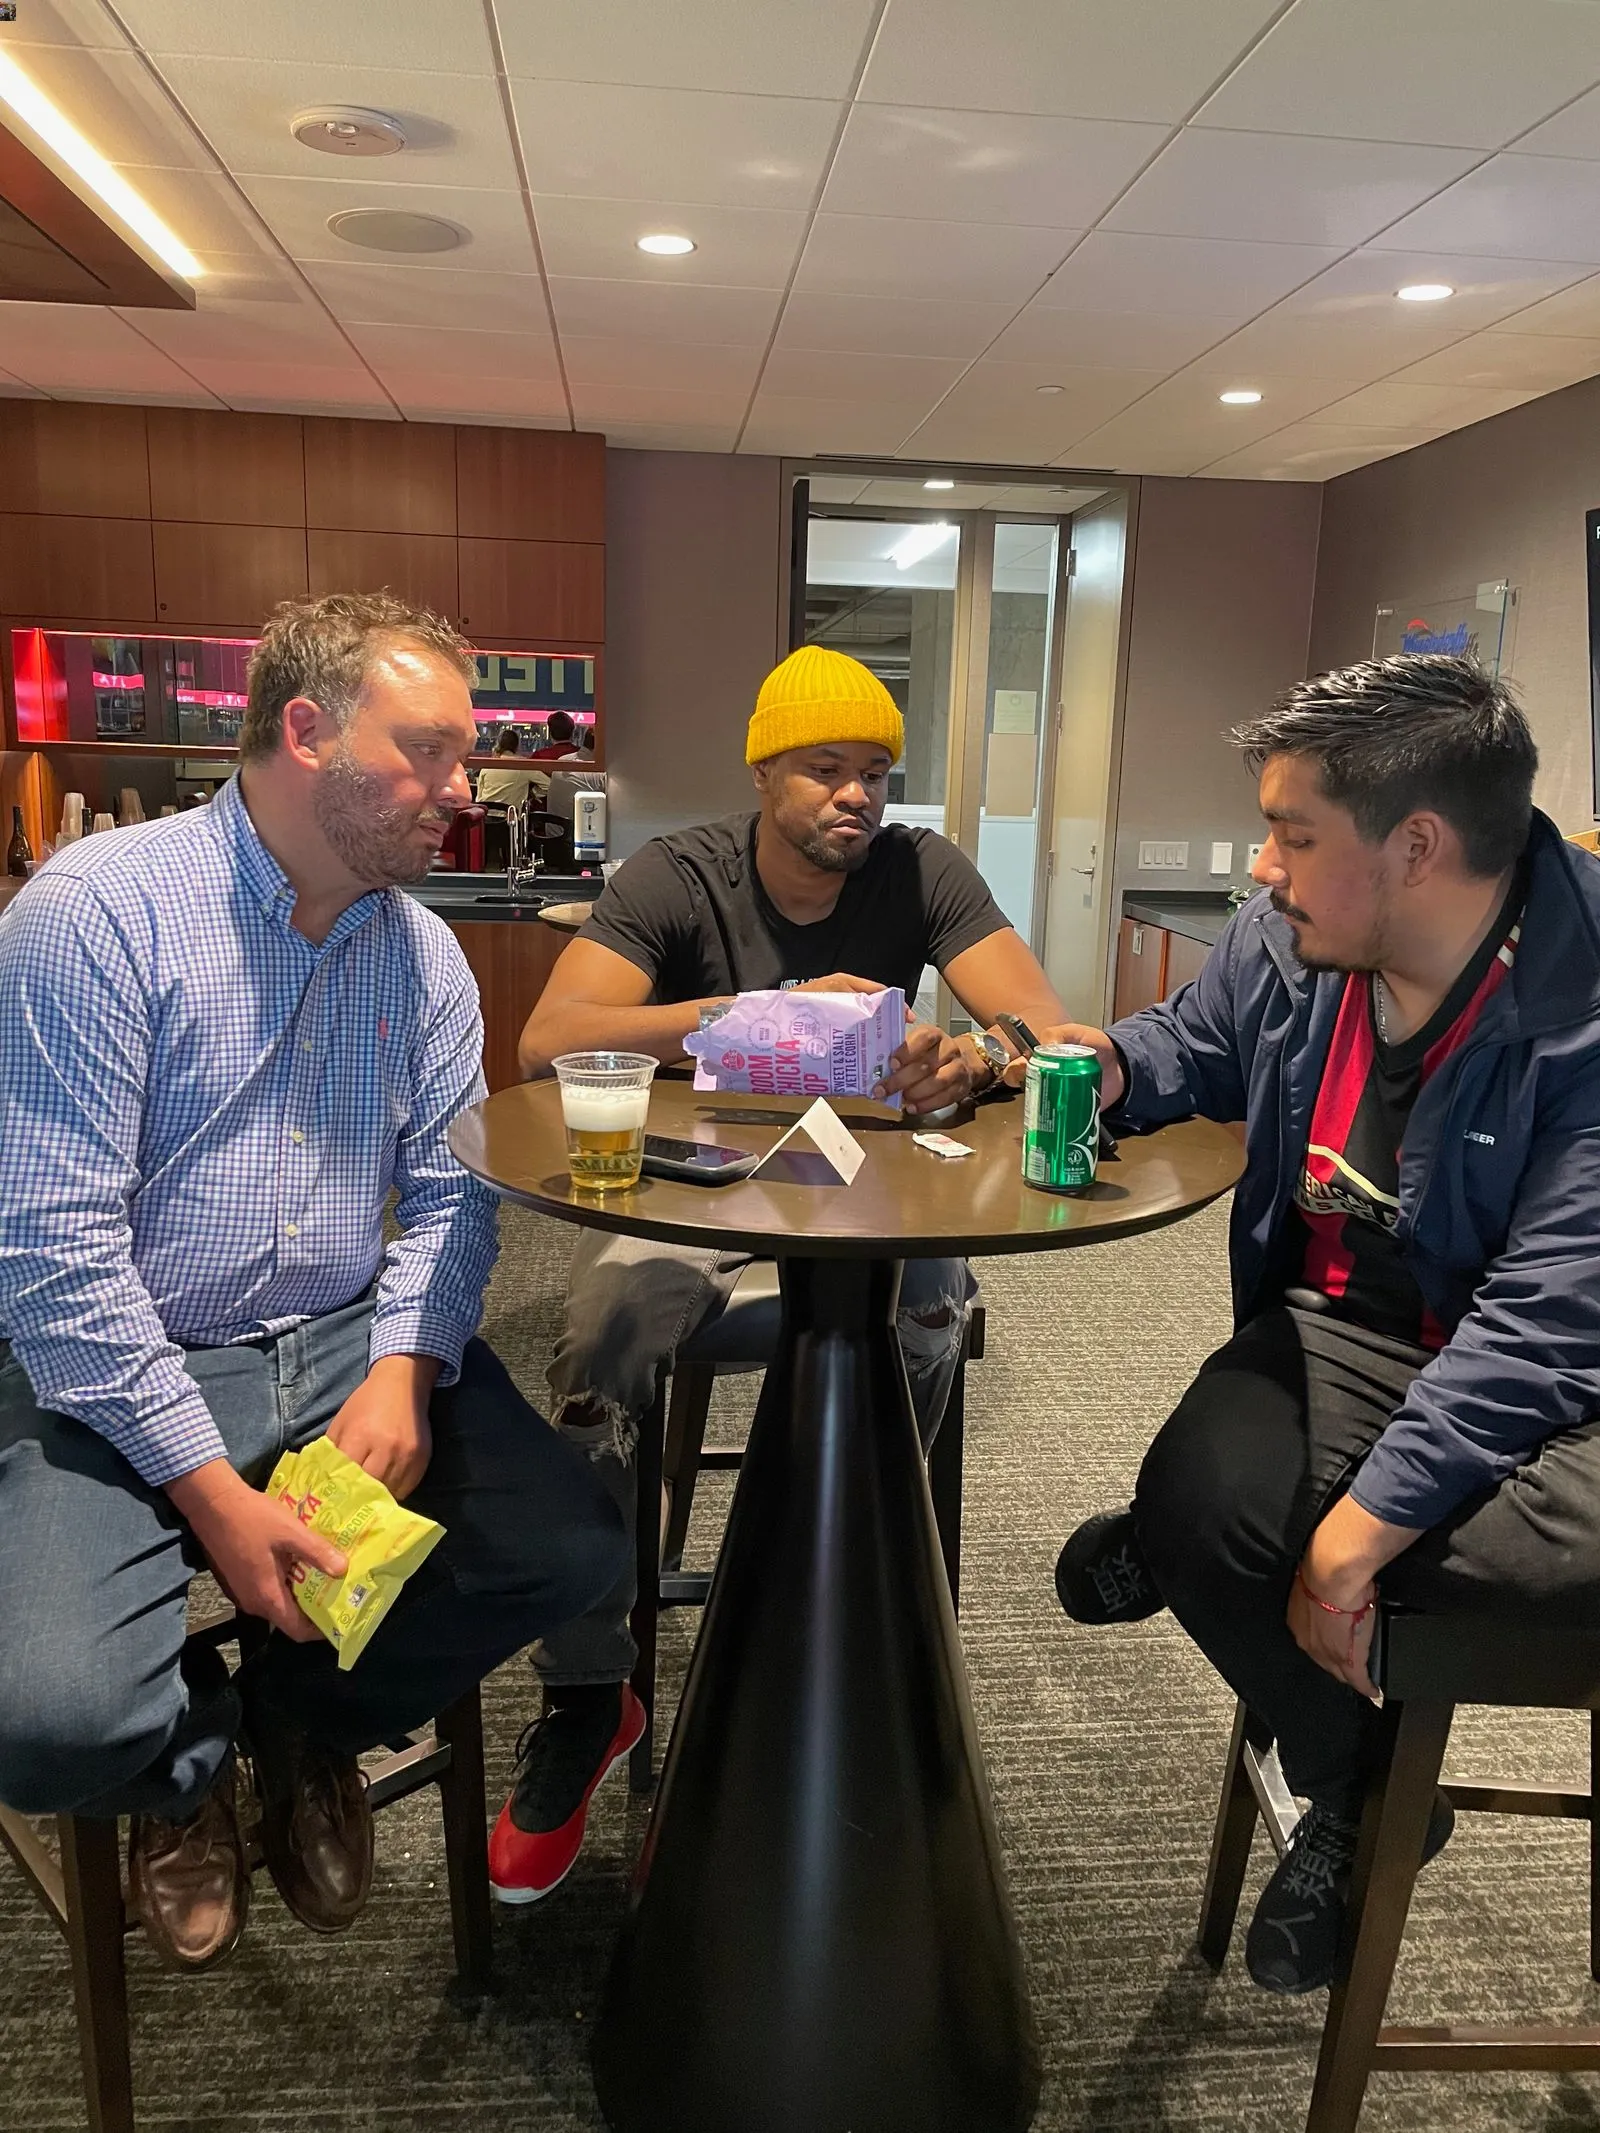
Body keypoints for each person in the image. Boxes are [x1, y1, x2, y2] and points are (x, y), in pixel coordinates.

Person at [0, 592, 626, 1974]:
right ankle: (188, 1765)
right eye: (431, 755)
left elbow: (457, 1195)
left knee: (570, 1543)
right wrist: (216, 1503)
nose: (464, 794)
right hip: (133, 1354)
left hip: (345, 1340)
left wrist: (405, 1362)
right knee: (45, 1718)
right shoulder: (93, 919)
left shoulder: (423, 953)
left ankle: (303, 1721)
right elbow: (55, 1263)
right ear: (305, 732)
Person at [1049, 653, 1600, 1994]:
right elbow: (1202, 1039)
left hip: (1547, 1367)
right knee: (1207, 1493)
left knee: (1477, 1557)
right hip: (1337, 1322)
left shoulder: (1579, 1007)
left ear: (1417, 847)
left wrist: (1353, 1536)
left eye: (1296, 835)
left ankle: (1219, 1563)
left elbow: (1543, 1325)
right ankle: (1362, 1788)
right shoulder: (1287, 941)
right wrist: (1112, 1064)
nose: (1264, 865)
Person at [487, 642, 1067, 1903]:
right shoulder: (676, 873)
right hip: (699, 1196)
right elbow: (549, 1044)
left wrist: (972, 1058)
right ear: (764, 772)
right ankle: (592, 1689)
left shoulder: (924, 870)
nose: (856, 796)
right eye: (825, 770)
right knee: (596, 1339)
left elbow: (1051, 1029)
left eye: (874, 772)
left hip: (874, 1195)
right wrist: (749, 1015)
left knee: (930, 1317)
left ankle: (854, 1591)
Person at [475, 723, 543, 808]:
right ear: (517, 745)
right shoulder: (524, 765)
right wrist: (531, 793)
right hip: (511, 818)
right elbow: (548, 785)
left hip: (487, 816)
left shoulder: (487, 766)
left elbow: (479, 797)